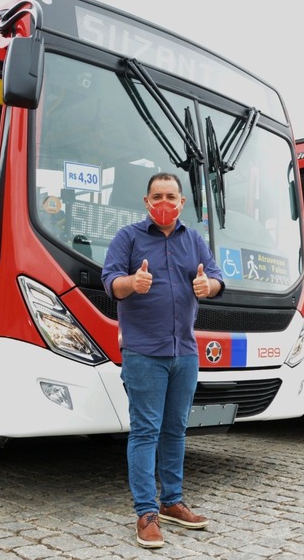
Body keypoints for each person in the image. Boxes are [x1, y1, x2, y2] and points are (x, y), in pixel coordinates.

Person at [101, 172, 225, 548]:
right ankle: (146, 513)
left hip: (184, 354)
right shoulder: (128, 238)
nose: (165, 203)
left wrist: (209, 286)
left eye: (171, 196)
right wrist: (130, 284)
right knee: (145, 432)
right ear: (146, 201)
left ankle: (172, 502)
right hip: (144, 353)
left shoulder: (194, 240)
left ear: (182, 202)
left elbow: (217, 278)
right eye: (158, 196)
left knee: (175, 431)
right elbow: (110, 282)